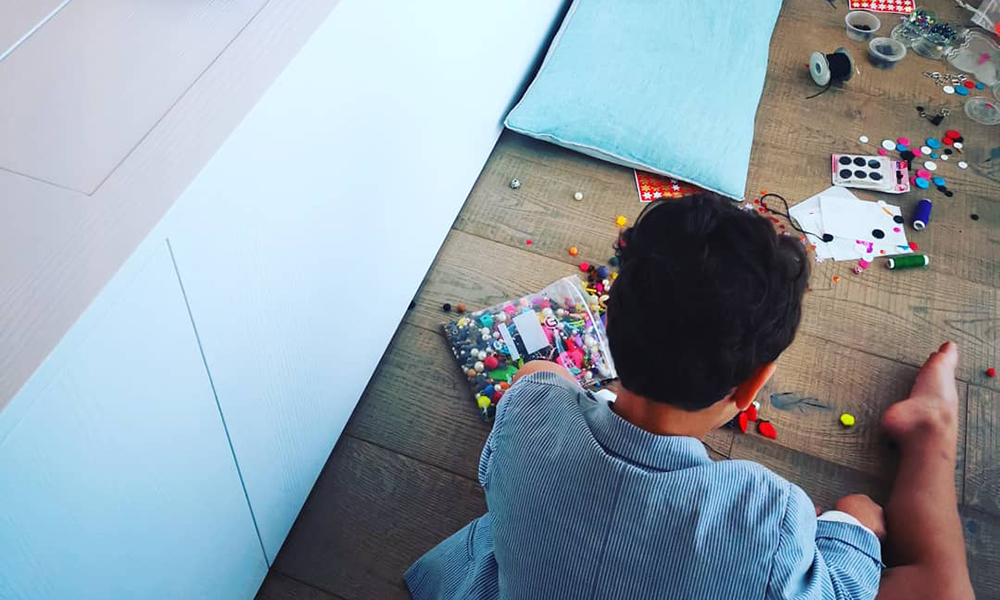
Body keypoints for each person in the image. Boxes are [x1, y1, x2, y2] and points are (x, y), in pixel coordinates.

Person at [404, 193, 974, 600]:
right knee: (934, 581)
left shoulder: (530, 409)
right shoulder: (768, 517)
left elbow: (532, 387)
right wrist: (854, 527)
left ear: (608, 327)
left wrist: (548, 382)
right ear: (752, 386)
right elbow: (839, 590)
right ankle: (932, 433)